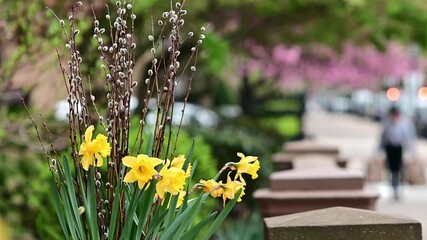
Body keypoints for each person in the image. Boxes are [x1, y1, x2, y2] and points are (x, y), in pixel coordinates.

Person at [380, 106, 417, 200]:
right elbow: (383, 138)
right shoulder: (387, 124)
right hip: (390, 149)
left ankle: (398, 188)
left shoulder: (403, 125)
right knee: (391, 170)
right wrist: (379, 150)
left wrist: (412, 151)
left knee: (399, 170)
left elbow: (409, 138)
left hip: (398, 149)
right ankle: (393, 188)